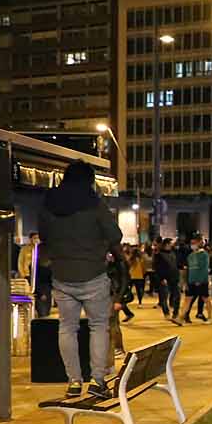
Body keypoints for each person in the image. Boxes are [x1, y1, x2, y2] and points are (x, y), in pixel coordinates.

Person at [38, 161, 123, 399]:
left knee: (67, 327)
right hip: (93, 274)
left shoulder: (50, 203)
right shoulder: (95, 203)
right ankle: (97, 381)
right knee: (98, 326)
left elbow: (43, 235)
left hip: (62, 276)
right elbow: (115, 235)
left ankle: (73, 381)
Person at [182, 235, 211, 321]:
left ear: (199, 243)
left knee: (206, 299)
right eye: (191, 243)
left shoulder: (204, 255)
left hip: (201, 281)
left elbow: (204, 268)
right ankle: (181, 317)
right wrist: (186, 282)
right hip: (191, 281)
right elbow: (189, 269)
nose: (192, 245)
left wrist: (201, 280)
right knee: (187, 299)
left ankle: (210, 317)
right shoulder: (190, 256)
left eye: (194, 243)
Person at [153, 240, 181, 324]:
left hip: (174, 278)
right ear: (166, 244)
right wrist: (161, 278)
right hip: (164, 279)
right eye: (171, 243)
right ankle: (166, 313)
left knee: (177, 295)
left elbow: (175, 265)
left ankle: (175, 313)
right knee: (164, 296)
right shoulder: (159, 255)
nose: (172, 245)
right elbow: (157, 268)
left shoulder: (173, 253)